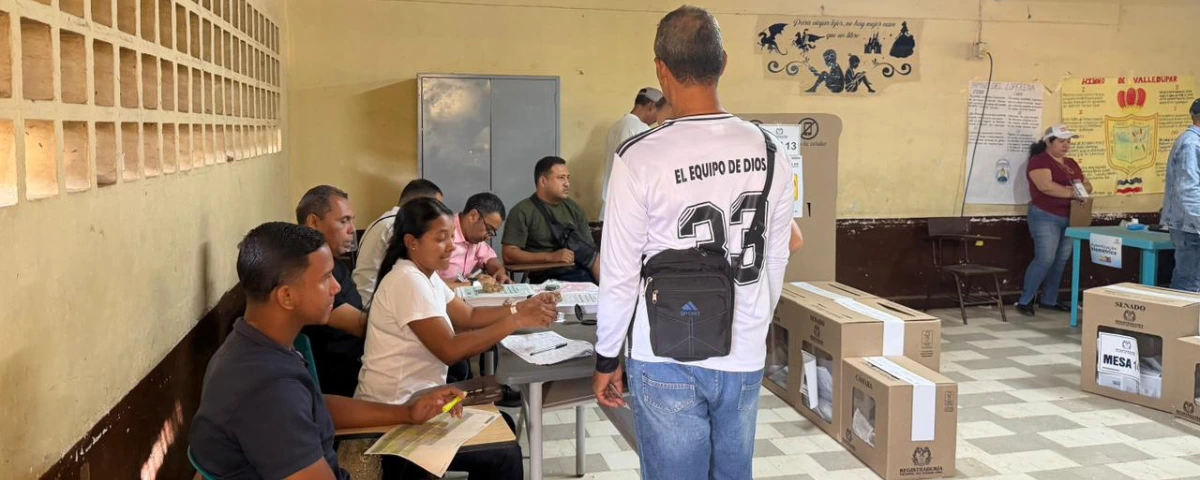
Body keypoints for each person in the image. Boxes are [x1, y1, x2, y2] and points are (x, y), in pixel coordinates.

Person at [591, 6, 795, 479]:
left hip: (663, 352)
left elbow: (619, 270)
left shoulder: (638, 156)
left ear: (660, 70)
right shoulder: (769, 150)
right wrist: (754, 323)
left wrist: (606, 357)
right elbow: (777, 255)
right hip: (742, 350)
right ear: (723, 62)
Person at [189, 222, 464, 480]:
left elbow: (312, 406)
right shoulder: (268, 388)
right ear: (286, 296)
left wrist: (405, 412)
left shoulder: (254, 344)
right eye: (325, 278)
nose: (335, 288)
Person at [357, 197, 557, 480]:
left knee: (504, 426)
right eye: (441, 239)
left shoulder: (425, 275)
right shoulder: (407, 281)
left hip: (420, 400)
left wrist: (519, 307)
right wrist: (517, 319)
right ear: (412, 241)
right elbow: (449, 350)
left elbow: (469, 317)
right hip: (395, 413)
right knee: (503, 454)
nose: (451, 246)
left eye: (451, 236)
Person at [296, 185, 366, 397]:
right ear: (314, 223)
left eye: (351, 220)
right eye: (344, 221)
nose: (352, 229)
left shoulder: (336, 266)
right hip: (341, 385)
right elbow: (360, 326)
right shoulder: (307, 270)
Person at [1016, 125, 1092, 315]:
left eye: (1069, 141)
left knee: (1060, 260)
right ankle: (1025, 300)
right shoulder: (1039, 161)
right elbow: (1046, 186)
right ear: (1048, 142)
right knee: (1045, 258)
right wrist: (1075, 193)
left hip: (1071, 217)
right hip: (1045, 216)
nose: (1066, 145)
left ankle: (1049, 299)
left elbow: (1088, 184)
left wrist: (1079, 191)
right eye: (1061, 141)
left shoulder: (1072, 163)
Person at [502, 156, 600, 283]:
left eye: (567, 178)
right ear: (543, 181)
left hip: (582, 273)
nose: (567, 183)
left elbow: (590, 252)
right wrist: (551, 257)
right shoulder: (522, 211)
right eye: (561, 178)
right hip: (547, 278)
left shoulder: (574, 209)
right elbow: (509, 255)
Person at [354, 179, 443, 304]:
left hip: (368, 298)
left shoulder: (382, 221)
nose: (438, 213)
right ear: (418, 204)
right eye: (435, 207)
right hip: (374, 304)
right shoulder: (396, 227)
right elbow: (413, 279)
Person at [602, 87, 666, 217]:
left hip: (609, 205)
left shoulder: (615, 127)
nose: (657, 117)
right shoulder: (642, 131)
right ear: (651, 106)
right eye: (658, 111)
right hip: (629, 209)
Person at [1162, 99, 1200, 292]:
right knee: (1190, 283)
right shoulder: (1191, 144)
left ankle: (1180, 322)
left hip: (1191, 224)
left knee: (1187, 279)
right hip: (1190, 226)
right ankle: (1185, 323)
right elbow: (1189, 189)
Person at [439, 192, 512, 288]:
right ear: (473, 216)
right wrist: (472, 283)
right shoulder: (443, 233)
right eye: (489, 229)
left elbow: (490, 258)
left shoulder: (475, 239)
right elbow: (430, 284)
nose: (488, 237)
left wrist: (499, 271)